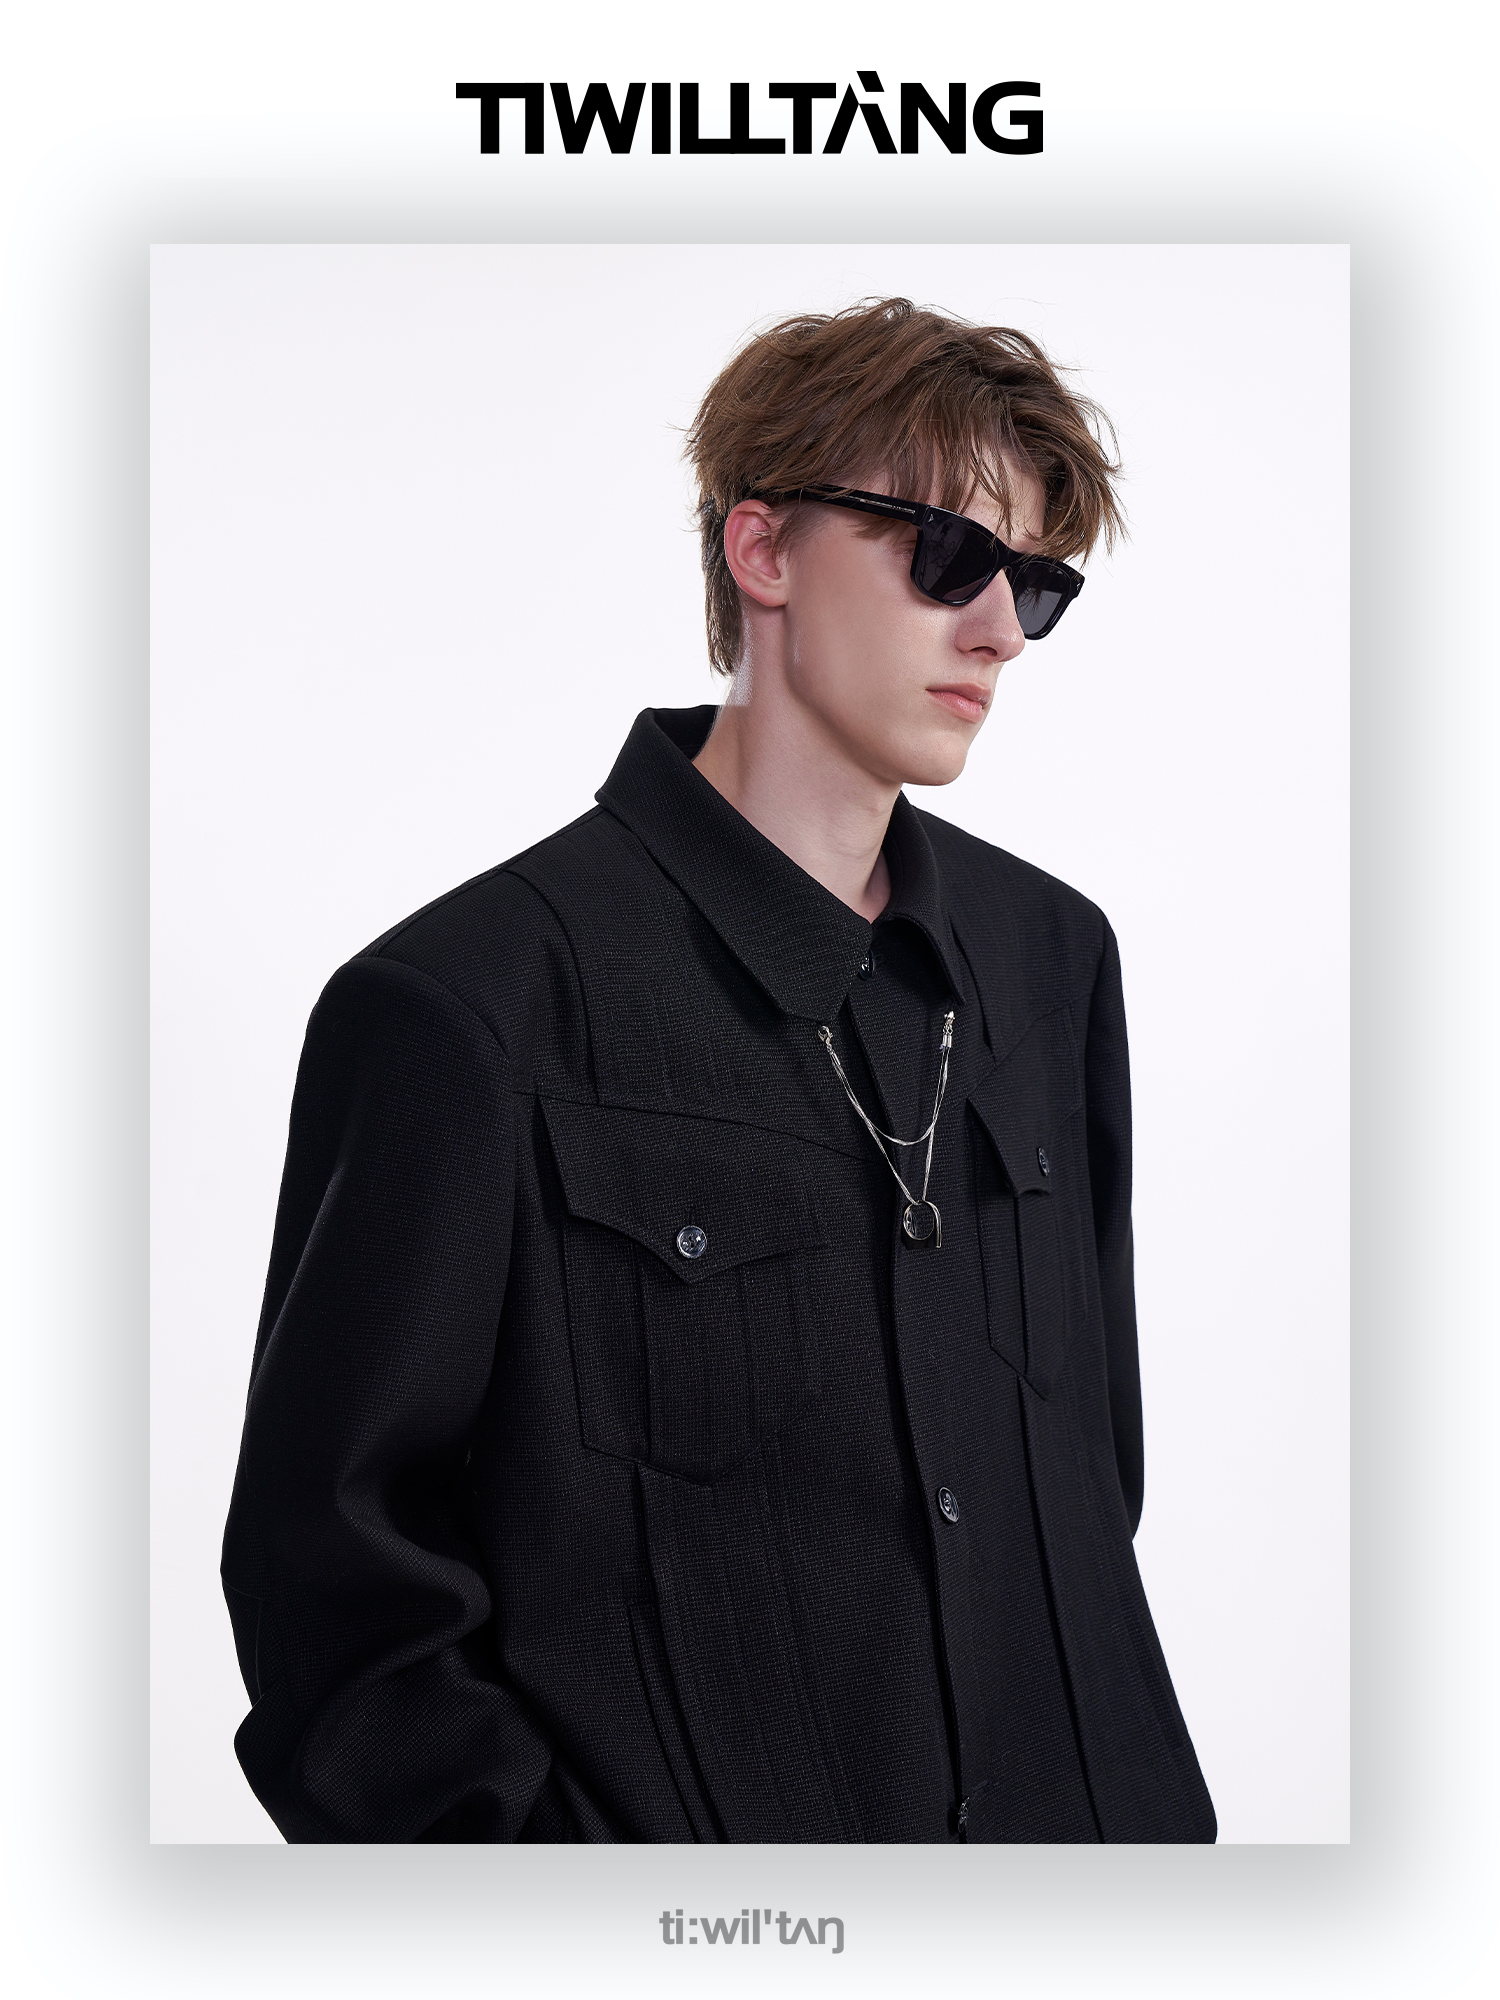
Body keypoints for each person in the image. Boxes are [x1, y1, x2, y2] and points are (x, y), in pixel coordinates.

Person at [222, 296, 1216, 1843]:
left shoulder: (1051, 963)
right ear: (764, 551)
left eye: (1034, 583)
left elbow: (1088, 1487)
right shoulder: (466, 1006)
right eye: (948, 554)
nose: (1000, 632)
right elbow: (332, 1600)